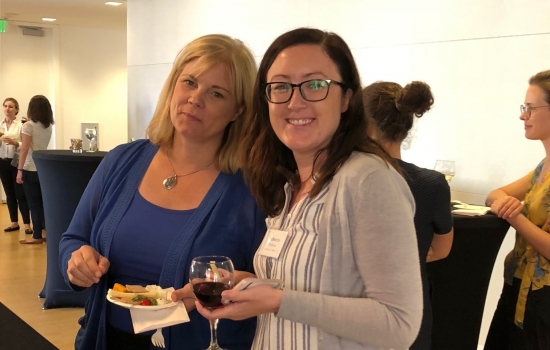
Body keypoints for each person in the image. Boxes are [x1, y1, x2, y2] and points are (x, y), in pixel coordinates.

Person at [196, 28, 423, 350]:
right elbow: (304, 289)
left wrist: (277, 300)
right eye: (281, 87)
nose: (295, 102)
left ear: (346, 98)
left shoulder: (368, 180)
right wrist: (250, 286)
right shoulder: (291, 186)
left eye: (315, 85)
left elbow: (399, 324)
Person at [59, 34, 265, 350]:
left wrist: (238, 286)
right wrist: (76, 262)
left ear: (238, 110)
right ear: (173, 86)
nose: (196, 99)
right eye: (190, 83)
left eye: (216, 93)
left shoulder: (251, 191)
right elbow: (73, 239)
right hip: (105, 339)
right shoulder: (122, 161)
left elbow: (269, 283)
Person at [362, 81, 454, 350]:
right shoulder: (432, 183)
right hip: (411, 304)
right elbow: (441, 249)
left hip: (360, 305)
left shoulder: (350, 179)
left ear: (363, 126)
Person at [484, 70, 550, 350]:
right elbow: (494, 195)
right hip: (518, 284)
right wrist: (507, 204)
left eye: (530, 108)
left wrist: (514, 215)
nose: (523, 116)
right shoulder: (541, 168)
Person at [17, 95, 53, 244]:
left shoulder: (28, 126)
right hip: (42, 168)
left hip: (29, 167)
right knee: (43, 202)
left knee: (33, 204)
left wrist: (19, 170)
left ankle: (36, 235)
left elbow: (24, 149)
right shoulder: (48, 126)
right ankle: (46, 232)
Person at [1, 98, 31, 234]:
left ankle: (27, 224)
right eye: (5, 106)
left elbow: (25, 145)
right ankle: (14, 223)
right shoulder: (0, 125)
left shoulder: (21, 125)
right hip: (2, 162)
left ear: (17, 110)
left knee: (21, 194)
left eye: (11, 107)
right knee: (9, 194)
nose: (7, 109)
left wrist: (14, 143)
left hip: (16, 162)